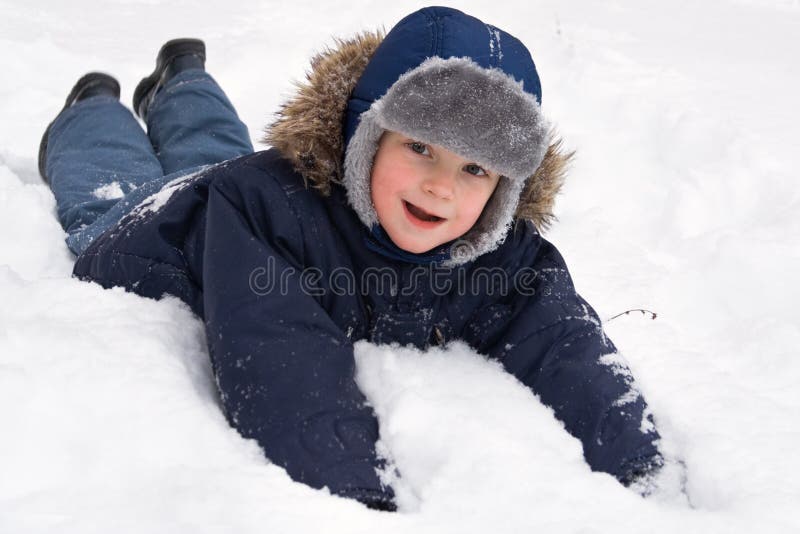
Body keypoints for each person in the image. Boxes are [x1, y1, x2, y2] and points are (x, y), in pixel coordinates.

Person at [39, 7, 663, 511]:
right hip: (162, 227)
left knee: (214, 146)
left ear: (505, 187)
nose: (441, 187)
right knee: (117, 178)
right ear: (364, 136)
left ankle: (182, 78)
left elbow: (562, 341)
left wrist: (638, 461)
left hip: (228, 181)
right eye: (420, 147)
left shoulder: (500, 251)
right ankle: (90, 111)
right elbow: (282, 353)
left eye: (474, 168)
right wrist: (350, 493)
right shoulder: (269, 210)